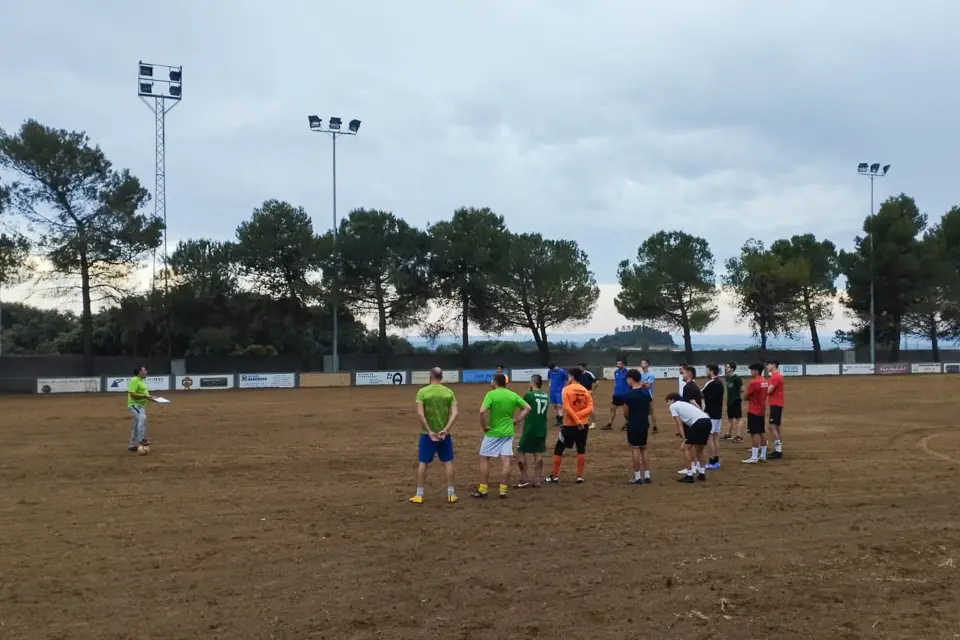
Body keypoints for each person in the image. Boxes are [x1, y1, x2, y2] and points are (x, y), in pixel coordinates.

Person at [474, 374, 531, 499]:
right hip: (508, 432)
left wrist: (484, 427)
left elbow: (482, 411)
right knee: (506, 460)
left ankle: (483, 489)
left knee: (484, 458)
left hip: (493, 432)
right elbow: (527, 408)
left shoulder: (491, 394)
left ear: (495, 382)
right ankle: (503, 490)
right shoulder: (512, 394)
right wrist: (516, 420)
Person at [410, 367, 459, 504]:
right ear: (441, 377)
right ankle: (451, 494)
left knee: (423, 463)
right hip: (444, 434)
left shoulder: (422, 392)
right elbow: (455, 413)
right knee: (447, 462)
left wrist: (429, 430)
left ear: (430, 376)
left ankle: (419, 495)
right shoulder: (449, 392)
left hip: (427, 434)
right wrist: (446, 429)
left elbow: (420, 413)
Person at [545, 367, 594, 484]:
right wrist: (580, 418)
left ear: (571, 376)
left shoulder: (566, 390)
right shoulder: (585, 391)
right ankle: (579, 476)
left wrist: (576, 419)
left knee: (559, 448)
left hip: (569, 425)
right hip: (584, 424)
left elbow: (567, 408)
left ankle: (555, 476)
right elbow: (590, 408)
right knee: (581, 449)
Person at [666, 392, 712, 483]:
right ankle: (702, 474)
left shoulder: (673, 406)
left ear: (671, 400)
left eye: (667, 401)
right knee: (700, 450)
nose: (667, 404)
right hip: (707, 421)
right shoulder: (685, 404)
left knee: (685, 448)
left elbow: (679, 424)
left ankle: (689, 475)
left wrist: (684, 438)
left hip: (698, 423)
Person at [620, 369, 653, 484]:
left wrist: (630, 420)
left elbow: (625, 412)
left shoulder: (628, 395)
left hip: (633, 423)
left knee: (635, 448)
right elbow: (650, 409)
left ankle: (637, 476)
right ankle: (647, 475)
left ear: (631, 379)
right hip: (644, 422)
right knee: (644, 447)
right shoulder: (646, 392)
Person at [516, 375, 549, 487]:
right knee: (538, 453)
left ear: (532, 383)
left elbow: (523, 408)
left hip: (530, 428)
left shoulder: (529, 395)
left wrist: (517, 420)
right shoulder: (545, 396)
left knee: (520, 452)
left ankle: (524, 478)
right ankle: (538, 480)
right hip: (542, 428)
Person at [742, 363, 769, 464]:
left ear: (756, 370)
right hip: (761, 409)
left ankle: (754, 457)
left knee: (755, 433)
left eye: (752, 370)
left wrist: (750, 398)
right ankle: (762, 455)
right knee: (761, 432)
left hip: (754, 410)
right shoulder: (764, 381)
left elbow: (745, 396)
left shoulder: (754, 382)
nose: (751, 372)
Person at [127, 366, 157, 452]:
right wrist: (145, 396)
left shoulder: (142, 381)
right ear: (139, 372)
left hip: (141, 406)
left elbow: (144, 394)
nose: (146, 372)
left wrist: (151, 398)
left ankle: (132, 445)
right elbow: (132, 394)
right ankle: (141, 439)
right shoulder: (134, 380)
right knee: (142, 418)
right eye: (145, 370)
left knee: (136, 425)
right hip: (134, 405)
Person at [701, 364, 725, 470]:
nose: (705, 372)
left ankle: (711, 460)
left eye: (707, 370)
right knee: (715, 438)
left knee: (709, 438)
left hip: (710, 414)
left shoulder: (710, 383)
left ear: (711, 371)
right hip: (718, 414)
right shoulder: (720, 383)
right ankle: (716, 460)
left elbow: (700, 394)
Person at [766, 359, 785, 459]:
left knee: (771, 426)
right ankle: (778, 449)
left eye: (768, 365)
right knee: (776, 427)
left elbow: (769, 391)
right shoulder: (776, 376)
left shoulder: (775, 377)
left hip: (776, 404)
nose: (767, 367)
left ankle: (778, 451)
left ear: (773, 365)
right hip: (777, 403)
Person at [603, 359, 629, 430]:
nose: (618, 365)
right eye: (617, 364)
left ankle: (628, 423)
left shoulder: (627, 373)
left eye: (620, 364)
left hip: (625, 395)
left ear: (623, 364)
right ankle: (609, 424)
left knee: (626, 412)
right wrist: (614, 392)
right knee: (612, 409)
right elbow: (617, 382)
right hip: (616, 394)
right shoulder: (616, 372)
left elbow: (630, 383)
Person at [722, 362, 744, 443]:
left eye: (728, 367)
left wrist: (735, 393)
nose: (726, 368)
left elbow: (742, 389)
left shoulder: (737, 378)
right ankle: (729, 433)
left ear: (732, 369)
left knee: (739, 418)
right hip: (729, 401)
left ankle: (739, 436)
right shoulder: (727, 378)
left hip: (736, 400)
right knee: (730, 418)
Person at [639, 359, 658, 434]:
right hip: (641, 394)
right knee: (642, 411)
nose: (641, 364)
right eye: (641, 363)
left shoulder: (651, 375)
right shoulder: (640, 374)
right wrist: (644, 383)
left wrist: (641, 383)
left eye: (643, 363)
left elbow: (648, 386)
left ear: (647, 364)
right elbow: (639, 384)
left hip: (647, 395)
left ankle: (654, 426)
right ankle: (645, 425)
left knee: (651, 411)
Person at [578, 361, 597, 429]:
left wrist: (592, 390)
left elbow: (597, 382)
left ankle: (593, 423)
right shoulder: (578, 374)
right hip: (579, 393)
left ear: (584, 367)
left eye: (580, 367)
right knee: (580, 407)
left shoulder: (589, 374)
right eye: (578, 367)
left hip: (587, 393)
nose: (579, 368)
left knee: (589, 408)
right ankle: (581, 421)